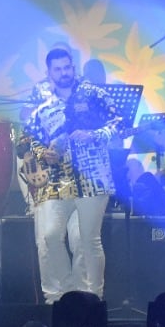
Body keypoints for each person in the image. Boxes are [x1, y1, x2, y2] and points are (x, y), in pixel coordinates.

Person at [23, 46, 122, 302]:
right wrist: (43, 152)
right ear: (49, 72)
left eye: (67, 67)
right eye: (58, 69)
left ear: (73, 67)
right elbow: (31, 135)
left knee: (89, 240)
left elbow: (117, 123)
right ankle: (68, 292)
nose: (64, 73)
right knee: (51, 235)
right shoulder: (44, 103)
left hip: (92, 178)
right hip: (58, 180)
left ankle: (93, 296)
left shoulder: (92, 93)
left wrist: (95, 135)